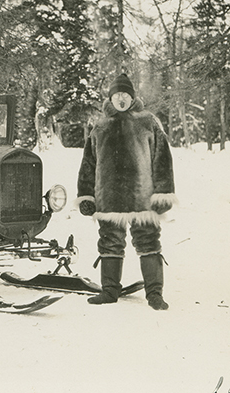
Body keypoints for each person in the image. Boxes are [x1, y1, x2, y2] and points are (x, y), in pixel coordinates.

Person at [76, 73, 178, 310]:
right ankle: (109, 291)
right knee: (109, 242)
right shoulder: (99, 126)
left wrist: (163, 193)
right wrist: (86, 195)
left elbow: (162, 160)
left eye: (126, 95)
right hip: (108, 198)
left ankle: (154, 294)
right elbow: (88, 164)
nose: (121, 99)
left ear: (133, 98)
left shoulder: (148, 122)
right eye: (117, 95)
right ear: (111, 98)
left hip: (142, 198)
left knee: (149, 242)